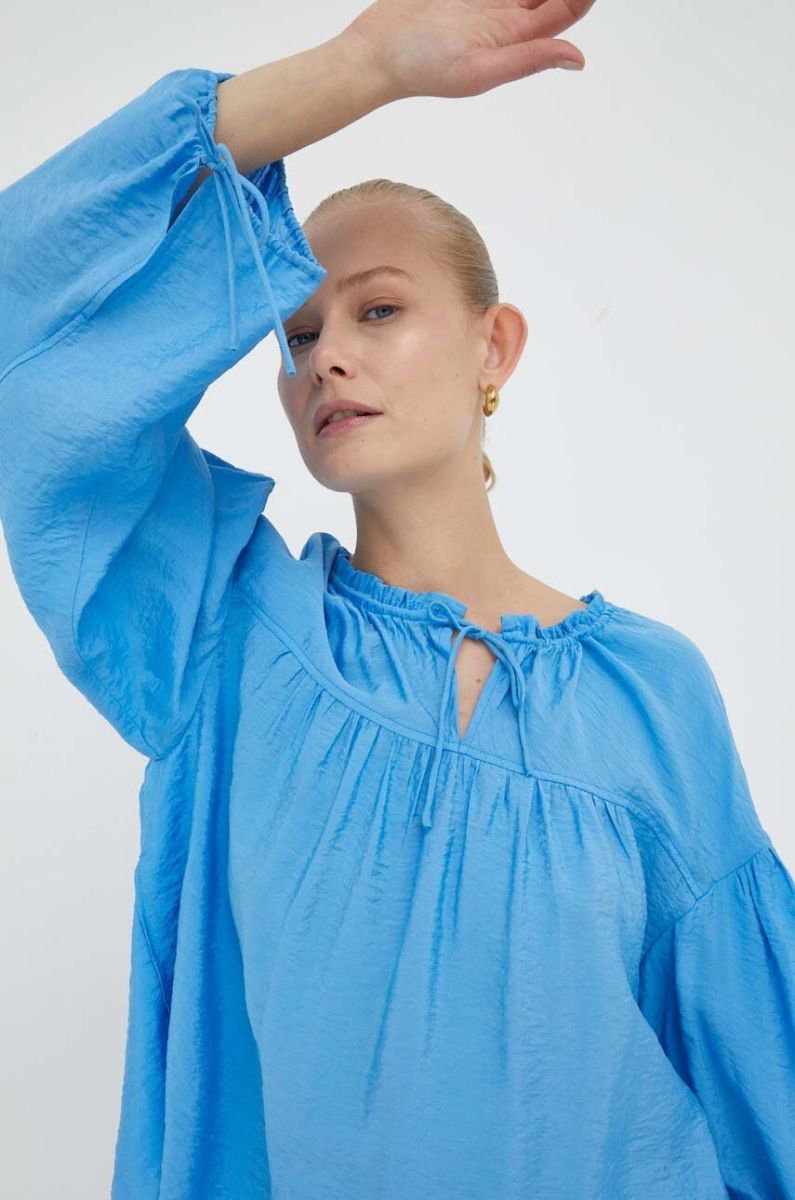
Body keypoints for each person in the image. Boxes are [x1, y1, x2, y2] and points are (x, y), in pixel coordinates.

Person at [1, 2, 793, 1197]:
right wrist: (360, 67)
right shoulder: (223, 636)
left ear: (494, 347)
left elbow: (761, 1078)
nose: (325, 355)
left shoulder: (651, 693)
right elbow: (27, 337)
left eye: (377, 309)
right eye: (298, 331)